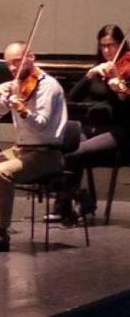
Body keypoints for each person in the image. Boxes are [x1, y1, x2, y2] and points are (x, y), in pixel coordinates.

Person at [0, 42, 68, 252]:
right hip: (22, 149)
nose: (13, 68)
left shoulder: (48, 86)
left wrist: (22, 110)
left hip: (47, 152)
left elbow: (42, 124)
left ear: (31, 57)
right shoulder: (16, 86)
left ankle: (2, 234)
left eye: (17, 62)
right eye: (9, 65)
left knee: (3, 172)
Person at [50, 24, 128, 224]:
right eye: (103, 46)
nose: (108, 51)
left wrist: (119, 89)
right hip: (91, 128)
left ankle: (74, 202)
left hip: (117, 131)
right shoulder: (99, 70)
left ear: (121, 44)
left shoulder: (124, 71)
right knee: (64, 148)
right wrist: (89, 75)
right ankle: (69, 204)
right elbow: (70, 98)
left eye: (112, 46)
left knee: (76, 152)